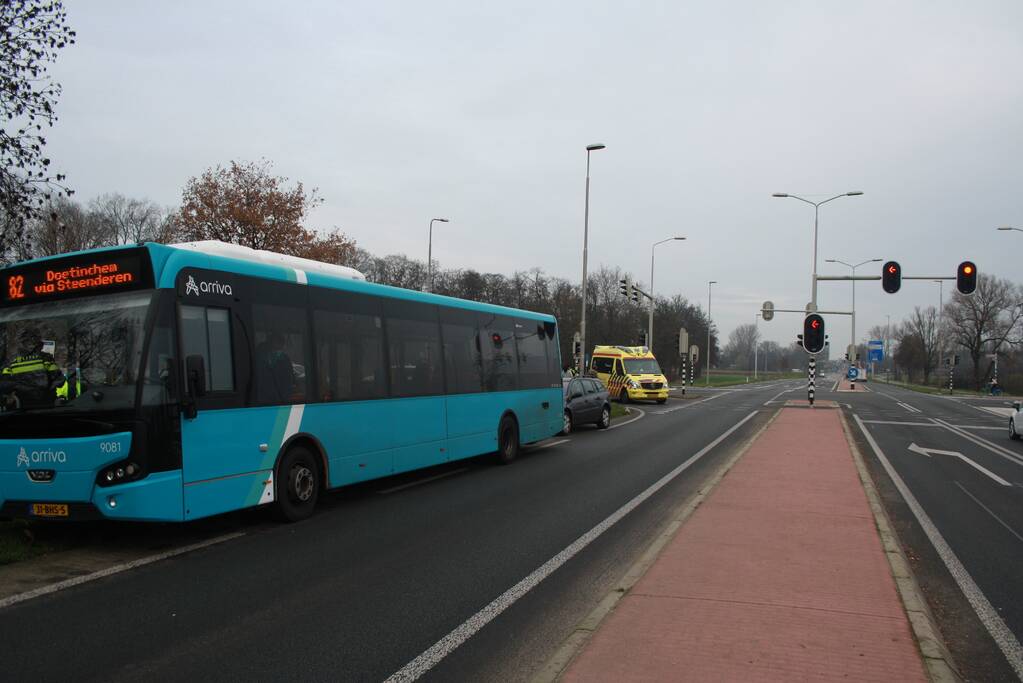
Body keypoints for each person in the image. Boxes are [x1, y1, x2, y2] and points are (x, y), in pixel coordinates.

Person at [0, 326, 72, 408]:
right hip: (37, 404)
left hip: (24, 406)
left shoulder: (12, 360)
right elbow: (59, 381)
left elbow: (4, 383)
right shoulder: (45, 358)